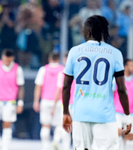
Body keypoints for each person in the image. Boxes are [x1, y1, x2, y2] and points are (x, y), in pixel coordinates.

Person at [62, 15, 132, 150]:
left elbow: (66, 86)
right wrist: (127, 115)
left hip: (81, 113)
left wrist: (65, 112)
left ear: (87, 32)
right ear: (103, 32)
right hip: (104, 115)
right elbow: (122, 88)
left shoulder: (74, 52)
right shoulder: (115, 53)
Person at [0, 48, 25, 150]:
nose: (7, 61)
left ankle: (5, 147)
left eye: (9, 59)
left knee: (7, 125)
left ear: (12, 58)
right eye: (5, 59)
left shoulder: (17, 69)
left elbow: (21, 87)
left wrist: (20, 102)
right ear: (2, 57)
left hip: (10, 101)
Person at [33, 52, 64, 150]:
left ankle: (45, 147)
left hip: (45, 101)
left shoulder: (43, 69)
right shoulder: (63, 70)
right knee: (59, 124)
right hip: (59, 101)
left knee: (45, 125)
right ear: (59, 59)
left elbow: (38, 86)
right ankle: (56, 141)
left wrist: (36, 101)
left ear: (49, 59)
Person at [51, 51, 75, 150]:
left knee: (65, 126)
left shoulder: (63, 73)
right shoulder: (80, 72)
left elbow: (59, 90)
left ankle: (56, 141)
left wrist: (54, 104)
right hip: (75, 104)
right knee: (71, 128)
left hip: (66, 103)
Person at [113, 58, 133, 150]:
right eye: (131, 66)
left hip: (131, 113)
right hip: (118, 112)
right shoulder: (117, 80)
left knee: (129, 139)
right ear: (125, 67)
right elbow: (112, 95)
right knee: (117, 137)